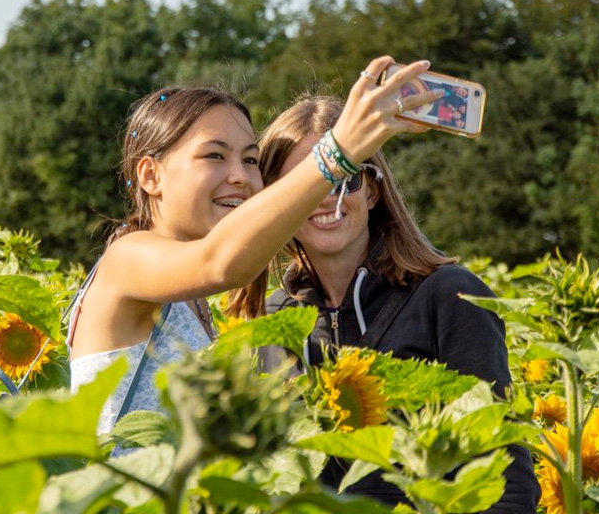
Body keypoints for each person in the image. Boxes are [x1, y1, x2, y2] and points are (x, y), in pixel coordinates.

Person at [67, 57, 440, 434]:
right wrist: (336, 153)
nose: (241, 177)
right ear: (150, 175)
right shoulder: (126, 259)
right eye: (214, 155)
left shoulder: (186, 297)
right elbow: (221, 262)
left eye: (250, 159)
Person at [237, 95, 540, 512]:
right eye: (305, 182)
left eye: (346, 179)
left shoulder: (449, 296)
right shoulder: (271, 320)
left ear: (375, 190)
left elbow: (505, 479)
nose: (326, 197)